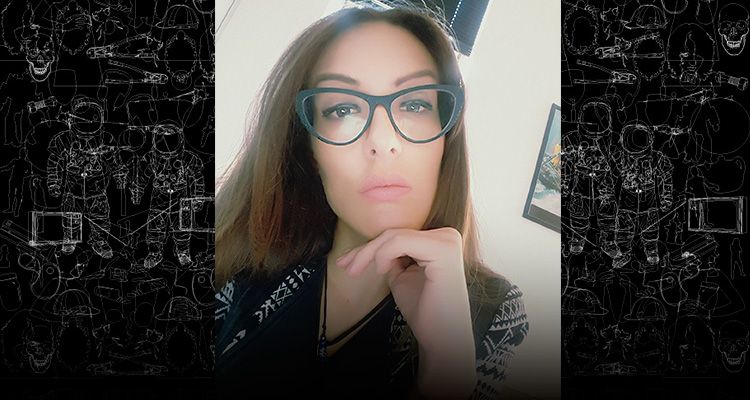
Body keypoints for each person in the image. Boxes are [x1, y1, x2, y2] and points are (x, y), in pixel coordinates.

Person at [214, 4, 528, 399]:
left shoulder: (492, 312)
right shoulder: (237, 259)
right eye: (343, 109)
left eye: (414, 104)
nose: (383, 141)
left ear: (445, 140)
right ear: (310, 149)